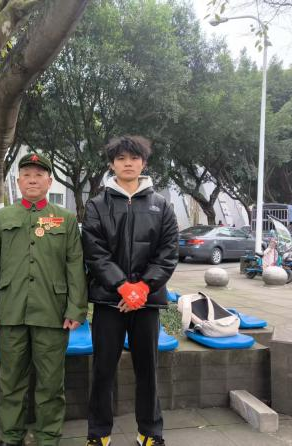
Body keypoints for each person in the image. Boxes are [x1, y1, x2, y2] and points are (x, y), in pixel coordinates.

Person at [0, 153, 88, 446]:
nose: (33, 180)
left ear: (49, 182)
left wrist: (76, 308)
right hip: (10, 310)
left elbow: (75, 265)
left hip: (52, 311)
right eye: (26, 175)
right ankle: (11, 435)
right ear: (18, 181)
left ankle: (48, 436)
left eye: (39, 175)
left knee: (51, 381)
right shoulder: (2, 218)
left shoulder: (65, 218)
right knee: (11, 379)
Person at [81, 136, 179, 446]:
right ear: (112, 164)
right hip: (109, 302)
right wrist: (123, 287)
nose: (128, 163)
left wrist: (142, 289)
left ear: (143, 163)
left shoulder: (161, 205)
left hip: (146, 304)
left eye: (134, 158)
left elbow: (168, 252)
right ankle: (99, 434)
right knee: (103, 370)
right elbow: (94, 252)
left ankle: (150, 432)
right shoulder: (97, 205)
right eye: (121, 158)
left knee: (147, 370)